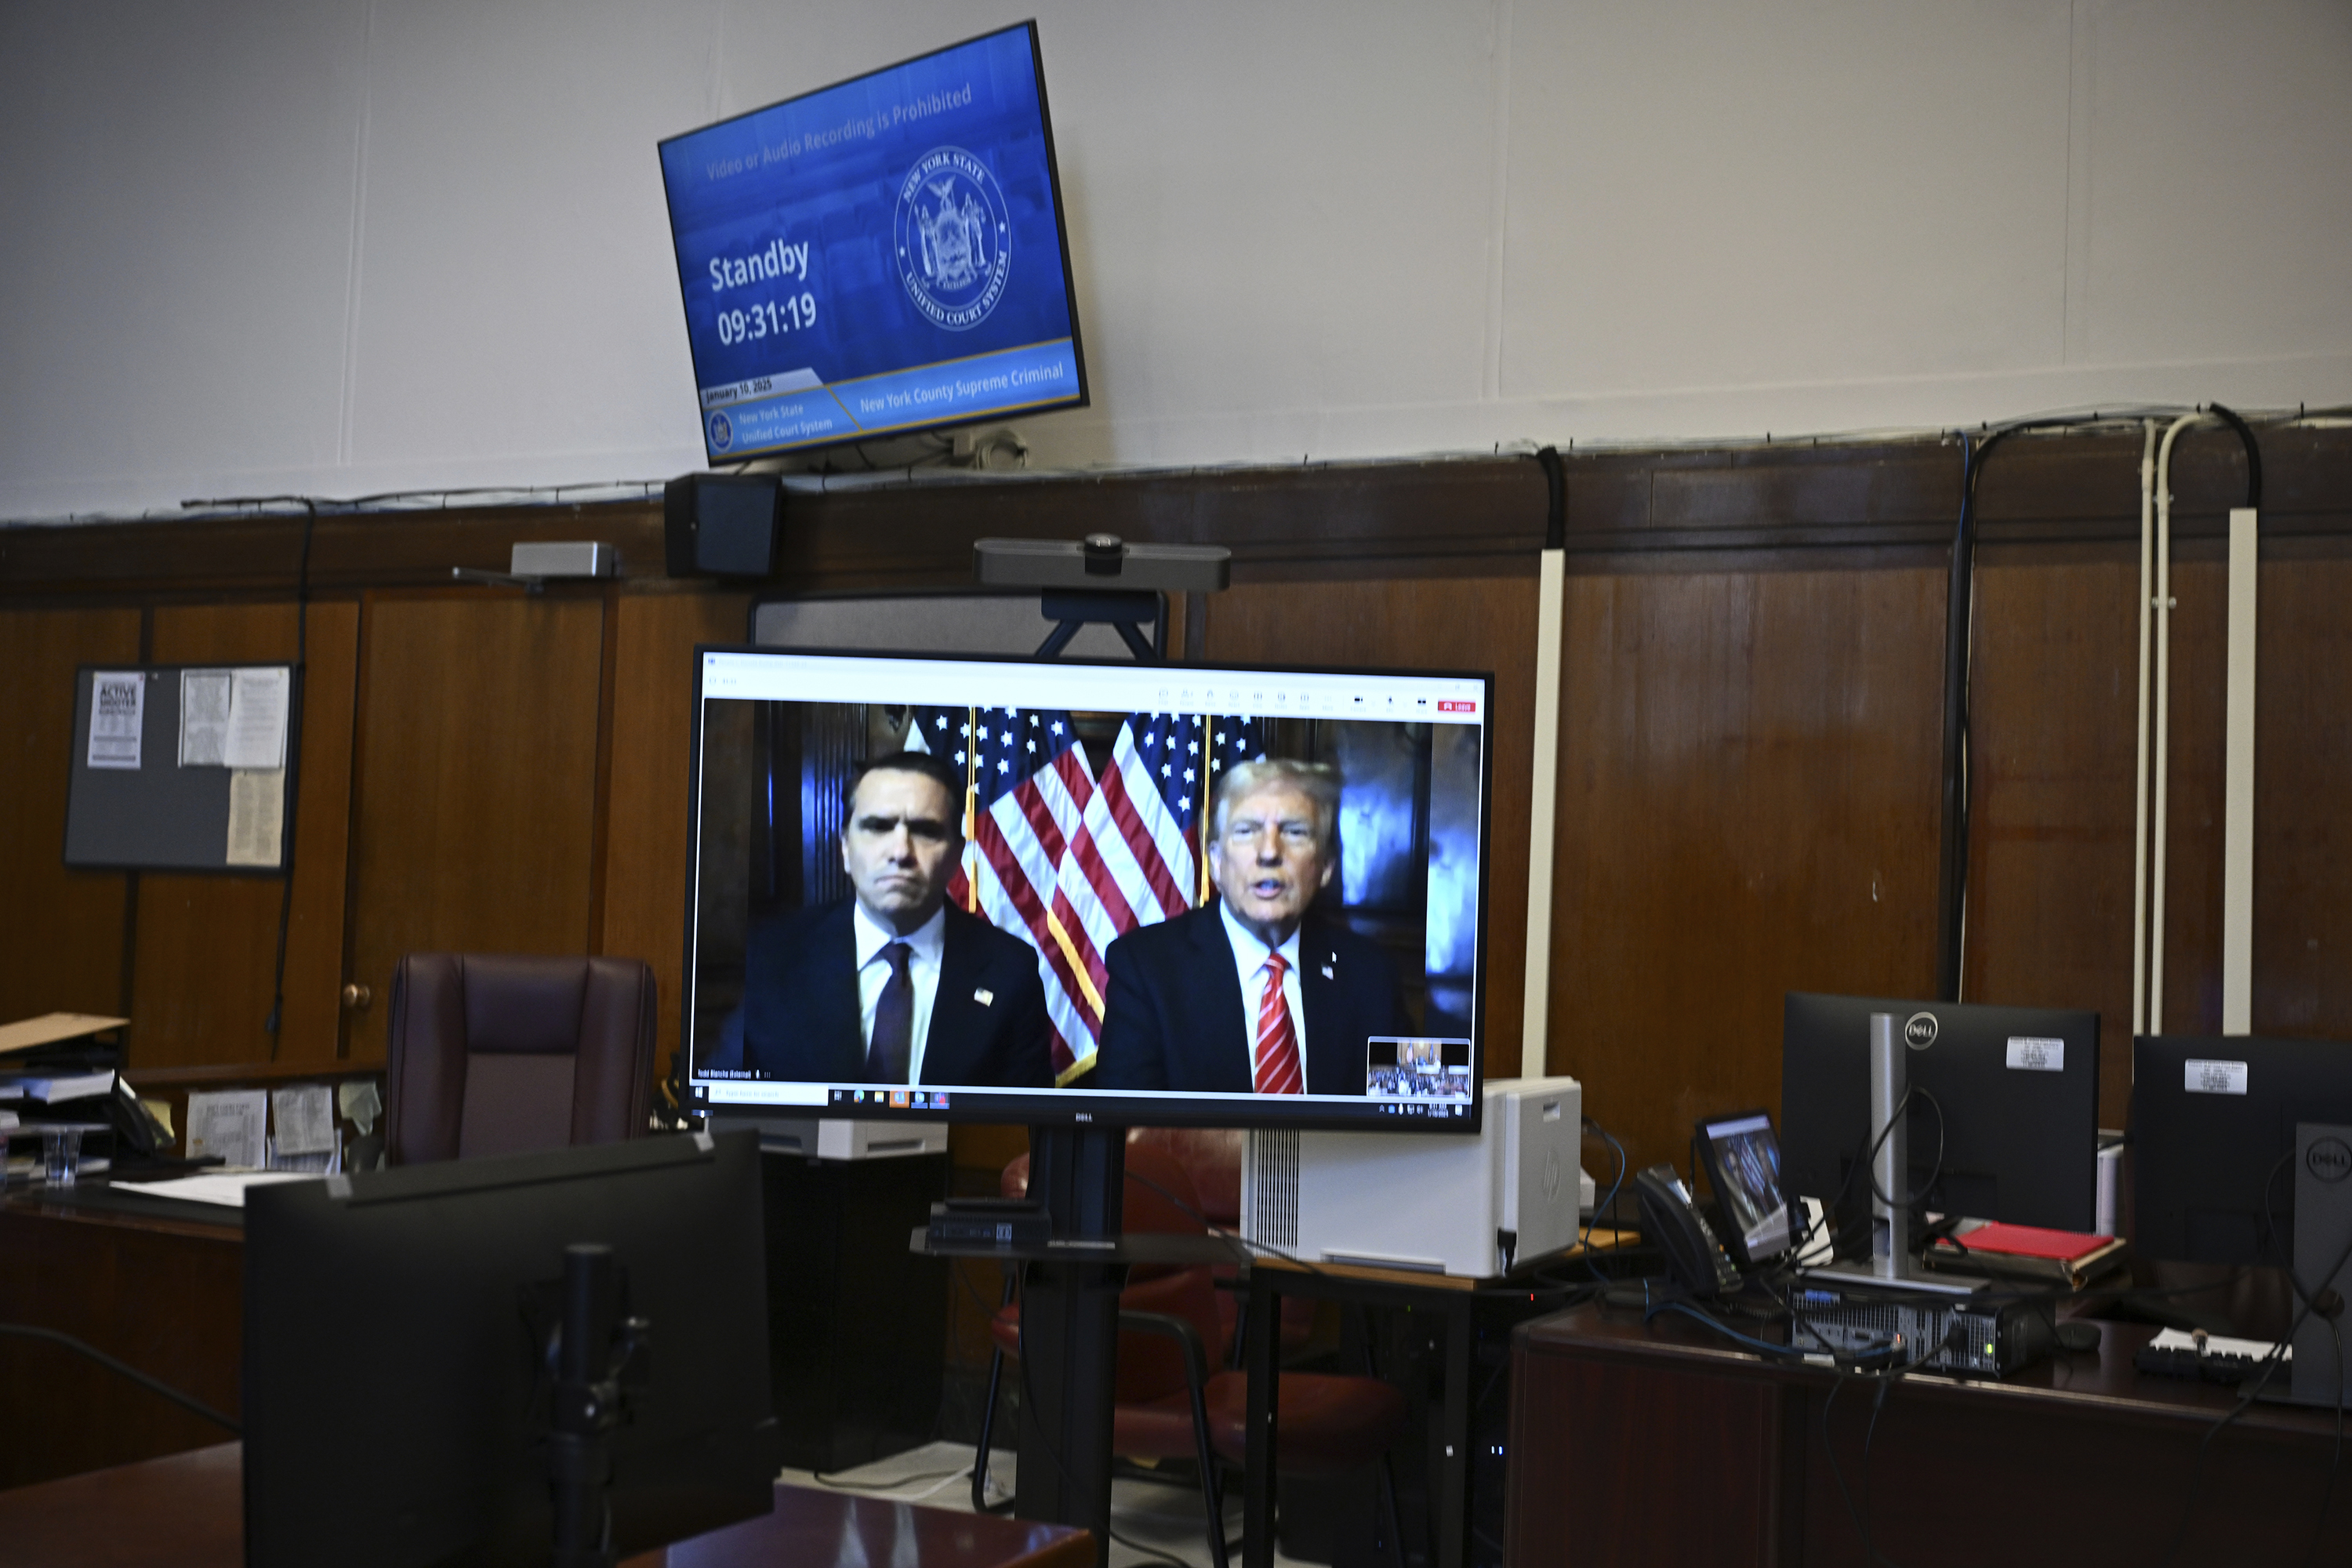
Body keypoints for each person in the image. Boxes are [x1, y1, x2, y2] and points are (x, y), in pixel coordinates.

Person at [706, 751, 1054, 1087]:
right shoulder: (775, 956)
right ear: (845, 848)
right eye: (878, 827)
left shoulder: (1010, 972)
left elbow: (1022, 1132)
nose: (901, 852)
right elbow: (724, 1104)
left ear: (955, 855)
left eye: (925, 830)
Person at [1092, 758, 1410, 1095]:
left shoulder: (1372, 974)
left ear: (1326, 867)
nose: (1270, 852)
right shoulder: (1146, 969)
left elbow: (1409, 1117)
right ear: (1215, 860)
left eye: (1294, 831)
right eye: (1246, 831)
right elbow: (1130, 1134)